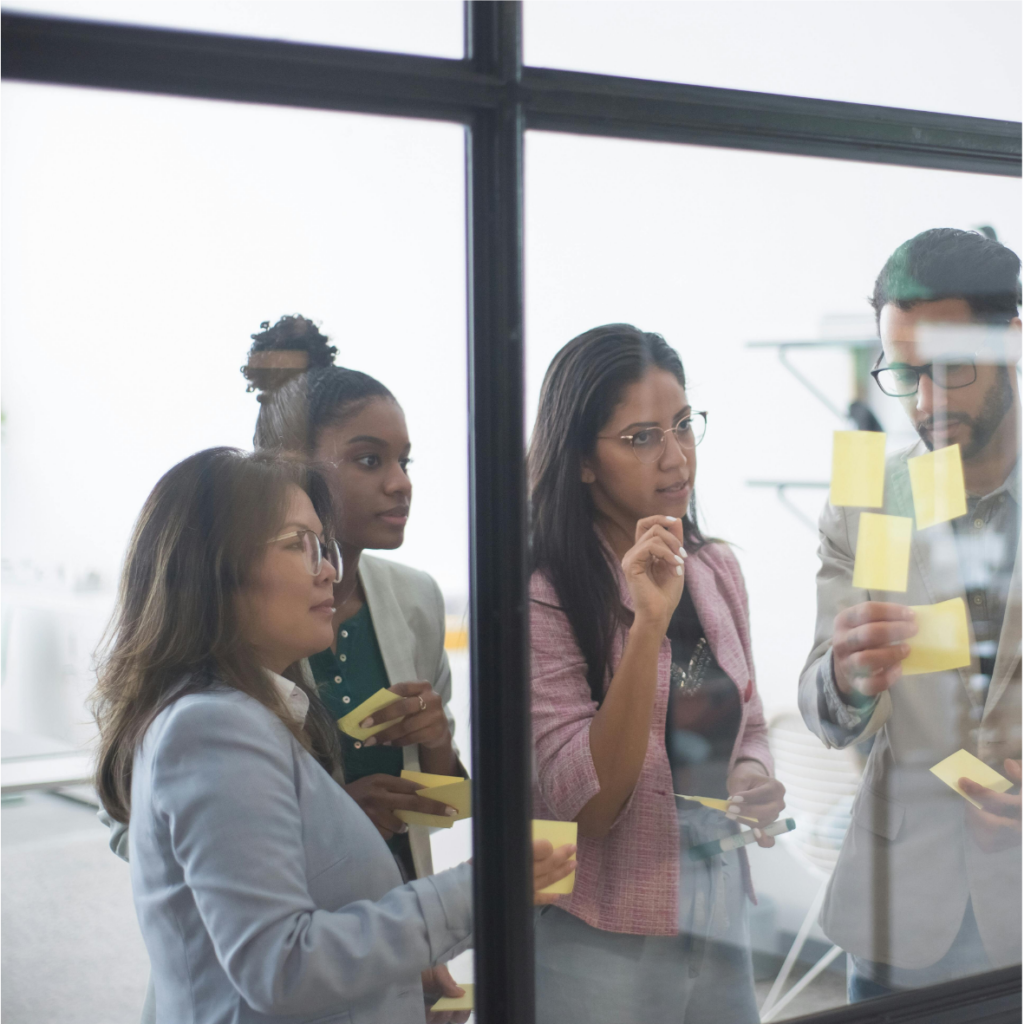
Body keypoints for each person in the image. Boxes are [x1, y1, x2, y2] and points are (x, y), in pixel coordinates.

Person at [92, 447, 576, 1024]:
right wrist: (482, 890)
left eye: (323, 547)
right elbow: (280, 970)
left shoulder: (247, 715)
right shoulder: (212, 727)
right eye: (300, 544)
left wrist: (400, 970)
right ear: (216, 568)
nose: (327, 569)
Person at [527, 324, 785, 1023]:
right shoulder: (542, 591)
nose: (676, 459)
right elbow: (589, 807)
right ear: (582, 459)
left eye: (682, 426)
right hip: (599, 926)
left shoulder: (714, 568)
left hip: (717, 905)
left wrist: (751, 779)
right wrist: (646, 625)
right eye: (641, 438)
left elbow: (750, 724)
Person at [797, 228, 1022, 1000]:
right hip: (900, 928)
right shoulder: (870, 498)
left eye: (950, 369)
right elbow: (824, 709)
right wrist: (846, 676)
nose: (925, 403)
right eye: (904, 373)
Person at [243, 316, 464, 886]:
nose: (401, 483)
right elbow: (132, 823)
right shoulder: (233, 609)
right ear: (291, 465)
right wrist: (331, 821)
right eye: (370, 460)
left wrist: (436, 740)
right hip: (270, 951)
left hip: (395, 938)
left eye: (404, 461)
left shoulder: (415, 599)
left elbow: (446, 807)